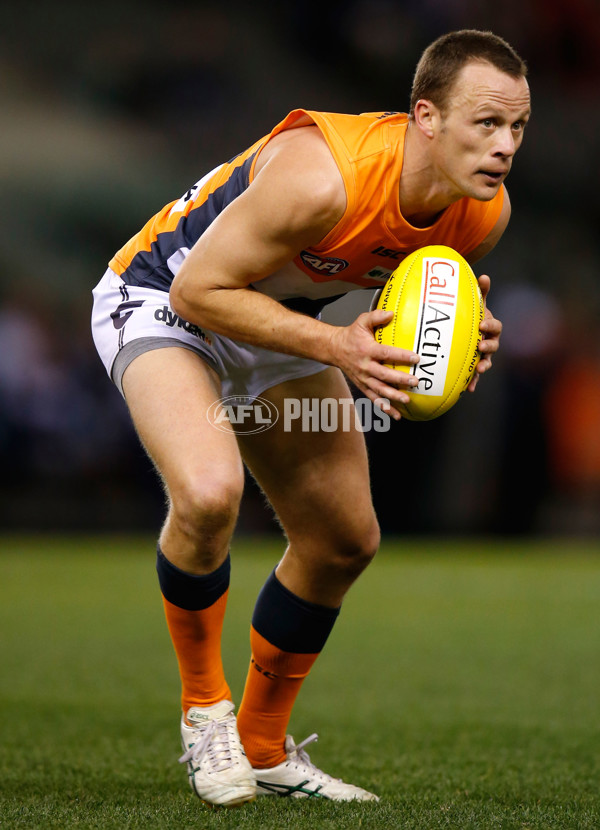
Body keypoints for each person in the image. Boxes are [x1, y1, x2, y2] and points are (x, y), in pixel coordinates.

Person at [91, 29, 530, 806]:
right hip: (167, 299)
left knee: (343, 540)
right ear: (425, 116)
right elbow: (200, 292)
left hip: (278, 319)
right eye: (486, 123)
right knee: (207, 492)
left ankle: (262, 749)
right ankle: (205, 714)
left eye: (518, 127)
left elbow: (406, 295)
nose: (504, 146)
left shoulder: (480, 214)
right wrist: (337, 344)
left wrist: (460, 340)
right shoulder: (326, 176)